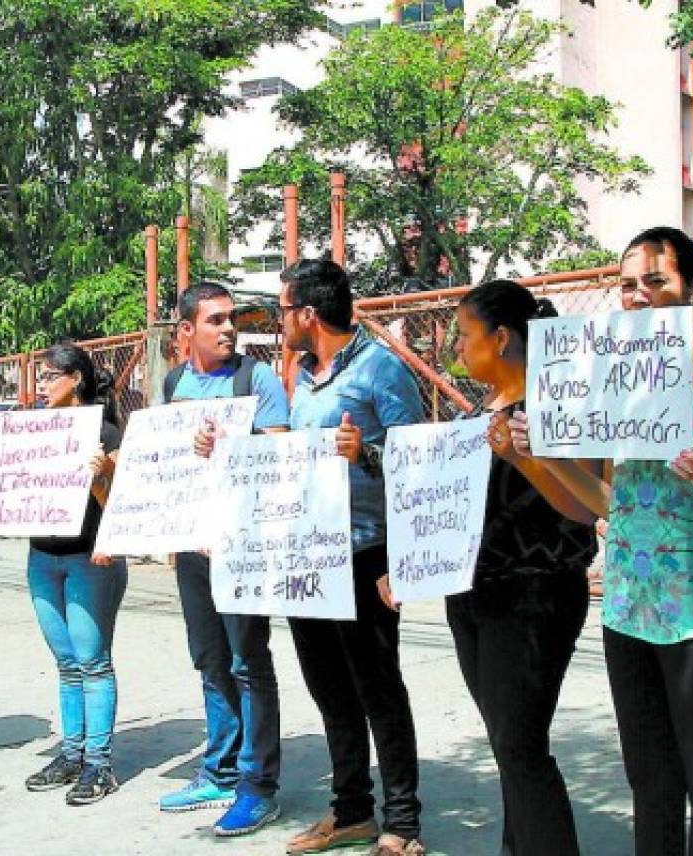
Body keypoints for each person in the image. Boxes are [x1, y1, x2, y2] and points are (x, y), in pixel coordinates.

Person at [507, 227, 693, 856]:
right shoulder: (618, 384)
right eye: (626, 284)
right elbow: (611, 504)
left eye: (655, 282)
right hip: (630, 612)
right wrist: (546, 457)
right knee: (650, 783)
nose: (636, 296)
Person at [279, 258, 427, 856]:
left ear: (308, 315)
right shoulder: (304, 374)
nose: (280, 321)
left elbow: (418, 456)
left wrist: (364, 453)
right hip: (308, 555)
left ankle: (403, 825)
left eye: (284, 310)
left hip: (367, 554)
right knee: (330, 691)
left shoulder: (380, 369)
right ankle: (351, 812)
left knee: (378, 690)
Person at [448, 280, 599, 855]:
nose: (457, 346)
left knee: (520, 745)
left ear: (501, 337)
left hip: (536, 598)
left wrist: (523, 456)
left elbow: (583, 510)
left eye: (465, 334)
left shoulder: (557, 403)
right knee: (506, 743)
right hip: (471, 596)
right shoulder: (474, 410)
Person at [158, 282, 290, 837]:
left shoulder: (255, 378)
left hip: (243, 545)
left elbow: (283, 448)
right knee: (210, 659)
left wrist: (233, 444)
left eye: (230, 318)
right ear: (186, 330)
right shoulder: (173, 382)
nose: (228, 328)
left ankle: (259, 786)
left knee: (248, 663)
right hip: (194, 545)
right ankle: (220, 768)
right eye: (215, 320)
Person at [5, 343, 128, 806]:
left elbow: (120, 506)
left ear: (75, 378)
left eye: (48, 377)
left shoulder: (107, 433)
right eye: (37, 378)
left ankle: (99, 763)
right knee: (66, 662)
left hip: (88, 559)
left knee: (92, 660)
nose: (40, 386)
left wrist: (99, 477)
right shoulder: (33, 429)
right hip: (42, 557)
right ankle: (72, 753)